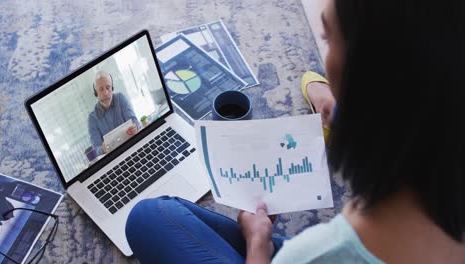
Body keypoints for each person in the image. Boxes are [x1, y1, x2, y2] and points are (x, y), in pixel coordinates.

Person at [125, 0, 465, 263]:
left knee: (146, 218)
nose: (325, 55)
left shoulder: (316, 253)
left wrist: (258, 246)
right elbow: (311, 80)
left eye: (327, 39)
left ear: (365, 77)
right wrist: (331, 99)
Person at [88, 71, 141, 157]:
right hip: (114, 157)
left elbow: (135, 122)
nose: (105, 93)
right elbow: (96, 150)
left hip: (133, 148)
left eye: (108, 87)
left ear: (112, 88)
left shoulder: (120, 98)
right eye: (101, 89)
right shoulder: (92, 119)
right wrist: (103, 149)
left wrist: (135, 127)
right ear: (96, 93)